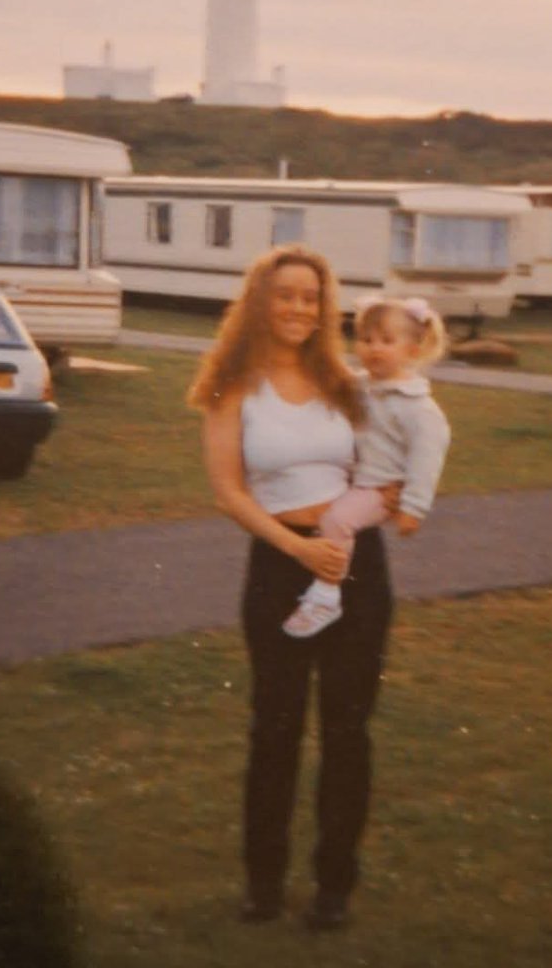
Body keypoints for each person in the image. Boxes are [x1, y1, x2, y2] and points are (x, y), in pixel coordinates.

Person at [187, 245, 394, 932]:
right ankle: (264, 884)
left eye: (311, 297)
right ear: (260, 302)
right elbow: (227, 489)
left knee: (347, 731)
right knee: (274, 731)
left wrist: (346, 530)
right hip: (279, 567)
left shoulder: (348, 383)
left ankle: (335, 885)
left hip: (355, 567)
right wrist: (297, 547)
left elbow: (385, 477)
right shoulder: (232, 386)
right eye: (286, 295)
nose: (299, 308)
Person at [282, 295, 451, 639]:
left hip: (380, 488)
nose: (374, 348)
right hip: (357, 483)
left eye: (387, 341)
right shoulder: (362, 386)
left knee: (336, 520)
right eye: (366, 339)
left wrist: (413, 508)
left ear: (412, 350)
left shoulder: (418, 407)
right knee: (330, 521)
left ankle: (326, 596)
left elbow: (427, 457)